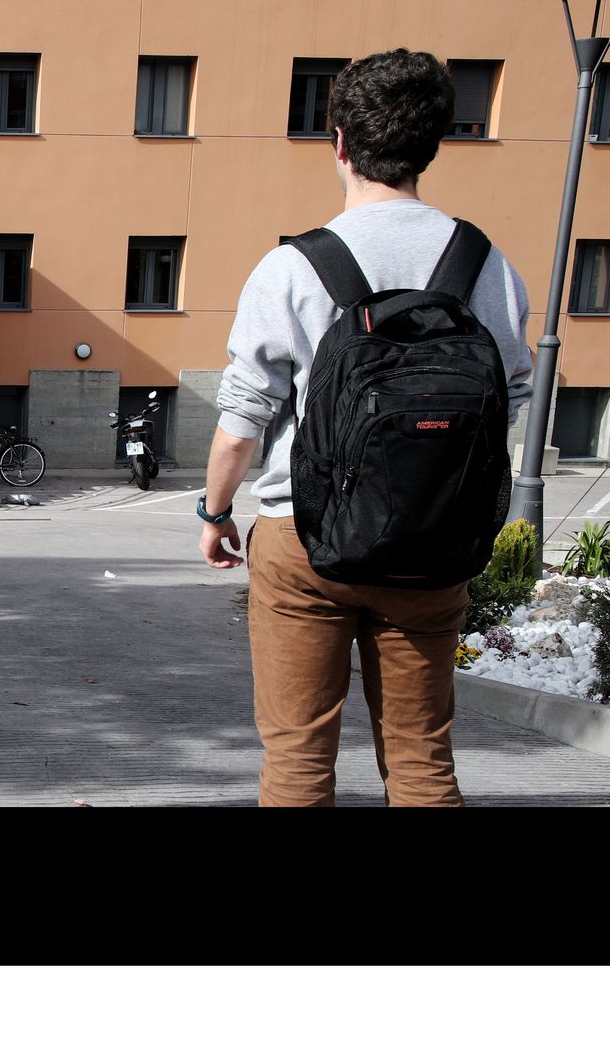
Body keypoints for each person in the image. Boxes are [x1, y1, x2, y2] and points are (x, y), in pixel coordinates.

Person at [199, 48, 534, 807]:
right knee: (422, 761)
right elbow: (509, 394)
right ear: (433, 144)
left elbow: (244, 419)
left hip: (305, 538)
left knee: (298, 760)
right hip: (434, 542)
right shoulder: (484, 264)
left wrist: (216, 512)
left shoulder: (292, 268)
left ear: (340, 141)